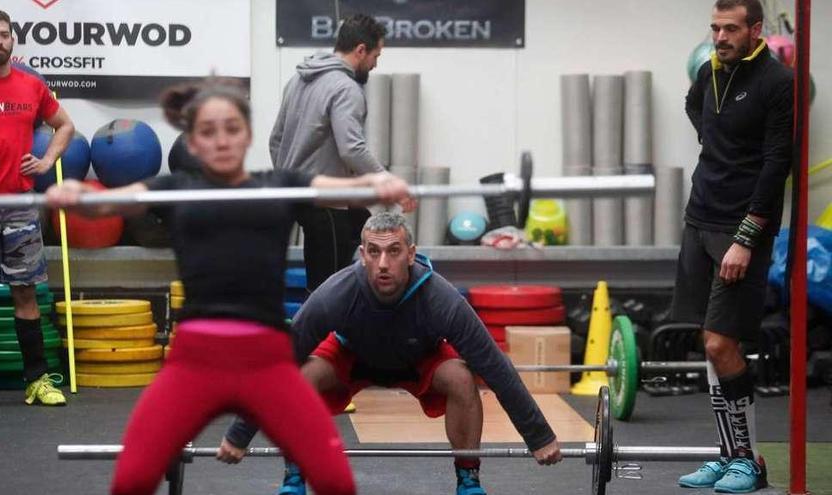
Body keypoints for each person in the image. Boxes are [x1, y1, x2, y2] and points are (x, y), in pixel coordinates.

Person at [45, 79, 413, 495]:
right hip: (193, 363)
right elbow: (114, 201)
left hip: (269, 365)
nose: (221, 140)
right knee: (130, 481)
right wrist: (76, 192)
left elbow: (340, 188)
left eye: (232, 128)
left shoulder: (278, 185)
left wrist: (380, 184)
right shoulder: (176, 189)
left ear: (248, 135)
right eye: (208, 131)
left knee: (334, 482)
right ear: (194, 142)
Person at [218, 212, 563, 495]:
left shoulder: (440, 299)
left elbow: (493, 364)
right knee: (302, 375)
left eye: (394, 251)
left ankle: (468, 479)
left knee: (461, 376)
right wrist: (239, 435)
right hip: (352, 353)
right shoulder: (337, 293)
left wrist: (539, 436)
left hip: (418, 357)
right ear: (362, 253)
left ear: (411, 254)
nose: (383, 263)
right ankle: (295, 473)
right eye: (373, 251)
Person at [675, 0, 792, 492]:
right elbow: (692, 106)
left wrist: (746, 238)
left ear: (755, 30)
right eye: (715, 27)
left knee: (723, 343)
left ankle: (749, 459)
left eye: (730, 28)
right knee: (708, 342)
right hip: (699, 219)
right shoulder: (708, 73)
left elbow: (776, 164)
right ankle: (726, 456)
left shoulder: (777, 83)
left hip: (739, 229)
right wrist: (716, 147)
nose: (720, 37)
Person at [0, 7, 74, 410]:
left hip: (20, 204)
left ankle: (37, 381)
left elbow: (65, 126)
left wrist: (45, 162)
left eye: (4, 35)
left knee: (26, 292)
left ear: (12, 39)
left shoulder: (30, 87)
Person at [271, 13, 398, 292]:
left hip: (298, 193)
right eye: (376, 56)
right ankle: (326, 331)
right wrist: (386, 179)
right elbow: (352, 148)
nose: (375, 64)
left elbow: (276, 140)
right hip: (324, 201)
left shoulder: (296, 80)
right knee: (327, 290)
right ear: (360, 50)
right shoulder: (346, 88)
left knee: (366, 226)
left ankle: (356, 313)